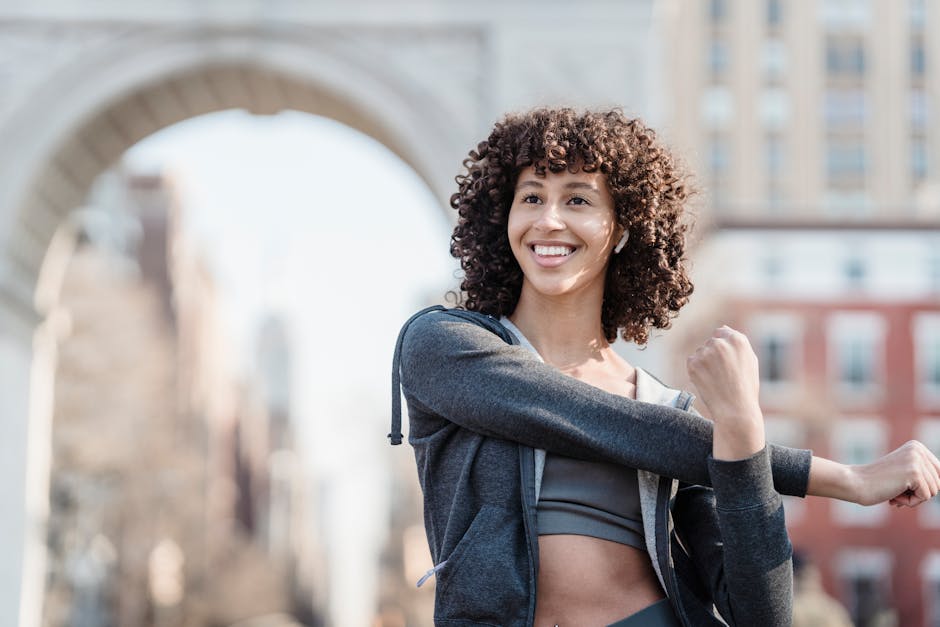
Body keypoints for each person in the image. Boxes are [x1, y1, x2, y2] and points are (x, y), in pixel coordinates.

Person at [389, 108, 940, 626]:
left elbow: (762, 613)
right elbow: (610, 424)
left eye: (578, 200)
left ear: (623, 228)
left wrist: (742, 430)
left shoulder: (664, 408)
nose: (549, 220)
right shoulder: (444, 346)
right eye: (531, 197)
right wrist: (846, 479)